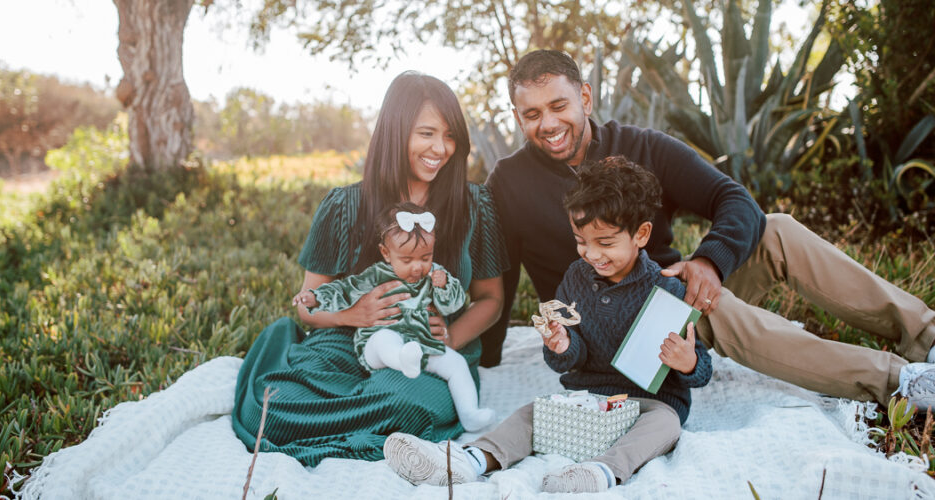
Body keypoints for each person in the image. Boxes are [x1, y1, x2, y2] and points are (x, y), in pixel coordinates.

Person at [479, 49, 935, 409]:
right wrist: (485, 357)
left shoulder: (642, 145)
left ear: (586, 97)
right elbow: (499, 275)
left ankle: (926, 336)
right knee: (706, 307)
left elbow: (735, 201)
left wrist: (707, 261)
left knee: (775, 229)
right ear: (518, 117)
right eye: (531, 114)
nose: (548, 124)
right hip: (605, 331)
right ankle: (898, 381)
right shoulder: (508, 180)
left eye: (558, 105)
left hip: (664, 286)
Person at [384, 156, 712, 493]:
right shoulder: (576, 278)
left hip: (648, 405)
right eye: (581, 241)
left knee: (667, 424)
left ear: (641, 234)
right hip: (589, 401)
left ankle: (600, 473)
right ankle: (471, 460)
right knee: (531, 414)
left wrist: (688, 363)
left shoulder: (667, 290)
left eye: (606, 243)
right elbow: (568, 357)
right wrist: (563, 346)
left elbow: (702, 370)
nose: (592, 254)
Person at [232, 72, 509, 464]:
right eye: (426, 133)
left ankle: (346, 428)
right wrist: (353, 314)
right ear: (396, 133)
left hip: (428, 350)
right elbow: (306, 307)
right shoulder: (344, 205)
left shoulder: (475, 205)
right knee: (274, 406)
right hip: (350, 342)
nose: (441, 148)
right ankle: (357, 433)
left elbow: (491, 299)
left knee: (401, 402)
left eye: (450, 136)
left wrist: (447, 338)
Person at [295, 202, 496, 431]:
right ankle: (401, 359)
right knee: (384, 340)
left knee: (456, 364)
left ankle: (469, 413)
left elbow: (454, 304)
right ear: (386, 253)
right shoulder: (376, 275)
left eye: (425, 257)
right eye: (407, 260)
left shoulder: (433, 275)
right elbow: (345, 290)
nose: (417, 267)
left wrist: (445, 285)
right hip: (377, 345)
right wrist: (316, 297)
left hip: (422, 343)